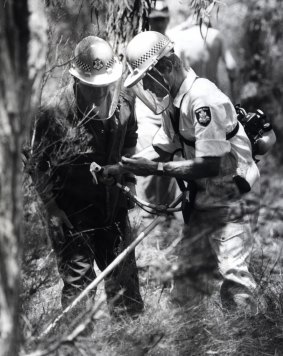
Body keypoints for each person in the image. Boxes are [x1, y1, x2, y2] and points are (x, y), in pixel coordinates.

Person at [102, 31, 261, 312]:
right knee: (185, 286)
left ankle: (246, 338)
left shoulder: (202, 100)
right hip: (203, 197)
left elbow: (211, 164)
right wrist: (120, 167)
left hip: (231, 196)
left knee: (234, 279)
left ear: (166, 67)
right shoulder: (173, 100)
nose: (148, 90)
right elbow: (164, 146)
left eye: (148, 81)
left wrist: (155, 169)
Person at [28, 36, 144, 317]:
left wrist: (129, 181)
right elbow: (36, 164)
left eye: (105, 85)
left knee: (123, 276)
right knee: (78, 285)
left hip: (113, 205)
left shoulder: (125, 101)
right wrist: (53, 209)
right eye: (93, 87)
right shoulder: (53, 112)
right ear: (78, 80)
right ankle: (78, 343)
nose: (101, 92)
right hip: (72, 213)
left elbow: (130, 139)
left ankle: (132, 338)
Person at [135, 0, 176, 212]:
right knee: (146, 171)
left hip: (169, 118)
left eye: (161, 19)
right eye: (154, 20)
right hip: (147, 118)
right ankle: (146, 216)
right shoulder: (141, 45)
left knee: (168, 170)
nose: (158, 23)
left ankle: (165, 218)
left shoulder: (173, 44)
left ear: (167, 19)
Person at [167, 15, 237, 97]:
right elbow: (231, 66)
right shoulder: (217, 35)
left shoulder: (181, 36)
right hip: (213, 93)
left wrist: (184, 25)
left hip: (192, 95)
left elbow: (166, 34)